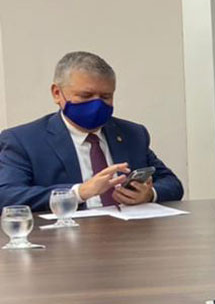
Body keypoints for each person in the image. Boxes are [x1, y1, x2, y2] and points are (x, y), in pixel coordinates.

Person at [0, 51, 183, 211]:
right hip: (64, 242)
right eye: (86, 96)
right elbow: (7, 196)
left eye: (106, 96)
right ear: (57, 93)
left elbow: (173, 184)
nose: (97, 105)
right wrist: (80, 192)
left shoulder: (132, 134)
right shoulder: (23, 140)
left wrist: (148, 194)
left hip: (128, 237)